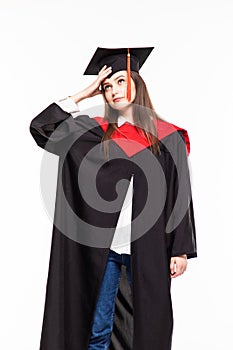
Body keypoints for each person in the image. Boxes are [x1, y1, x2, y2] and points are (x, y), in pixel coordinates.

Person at [29, 47, 197, 350]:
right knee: (97, 328)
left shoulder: (167, 136)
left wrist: (181, 249)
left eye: (120, 81)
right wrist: (84, 94)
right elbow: (41, 129)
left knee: (148, 330)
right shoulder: (94, 135)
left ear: (137, 83)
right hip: (102, 251)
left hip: (149, 247)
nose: (113, 90)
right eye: (107, 86)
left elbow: (179, 193)